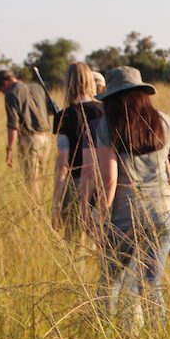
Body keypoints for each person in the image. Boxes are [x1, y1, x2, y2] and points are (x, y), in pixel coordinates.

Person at [80, 66, 170, 331]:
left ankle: (109, 336)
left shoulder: (107, 126)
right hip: (163, 216)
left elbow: (108, 179)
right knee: (151, 283)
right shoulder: (166, 122)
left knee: (111, 283)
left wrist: (98, 218)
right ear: (143, 93)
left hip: (123, 218)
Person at [50, 63, 104, 242]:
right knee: (103, 240)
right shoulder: (105, 110)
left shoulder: (64, 116)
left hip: (76, 182)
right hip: (104, 181)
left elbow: (63, 163)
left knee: (73, 241)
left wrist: (56, 202)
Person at [0, 68, 52, 198]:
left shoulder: (11, 94)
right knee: (42, 178)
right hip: (46, 138)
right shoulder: (38, 87)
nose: (2, 92)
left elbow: (13, 125)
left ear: (5, 82)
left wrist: (9, 149)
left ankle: (35, 212)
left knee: (31, 180)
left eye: (1, 88)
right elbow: (51, 110)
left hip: (29, 140)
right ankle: (42, 206)